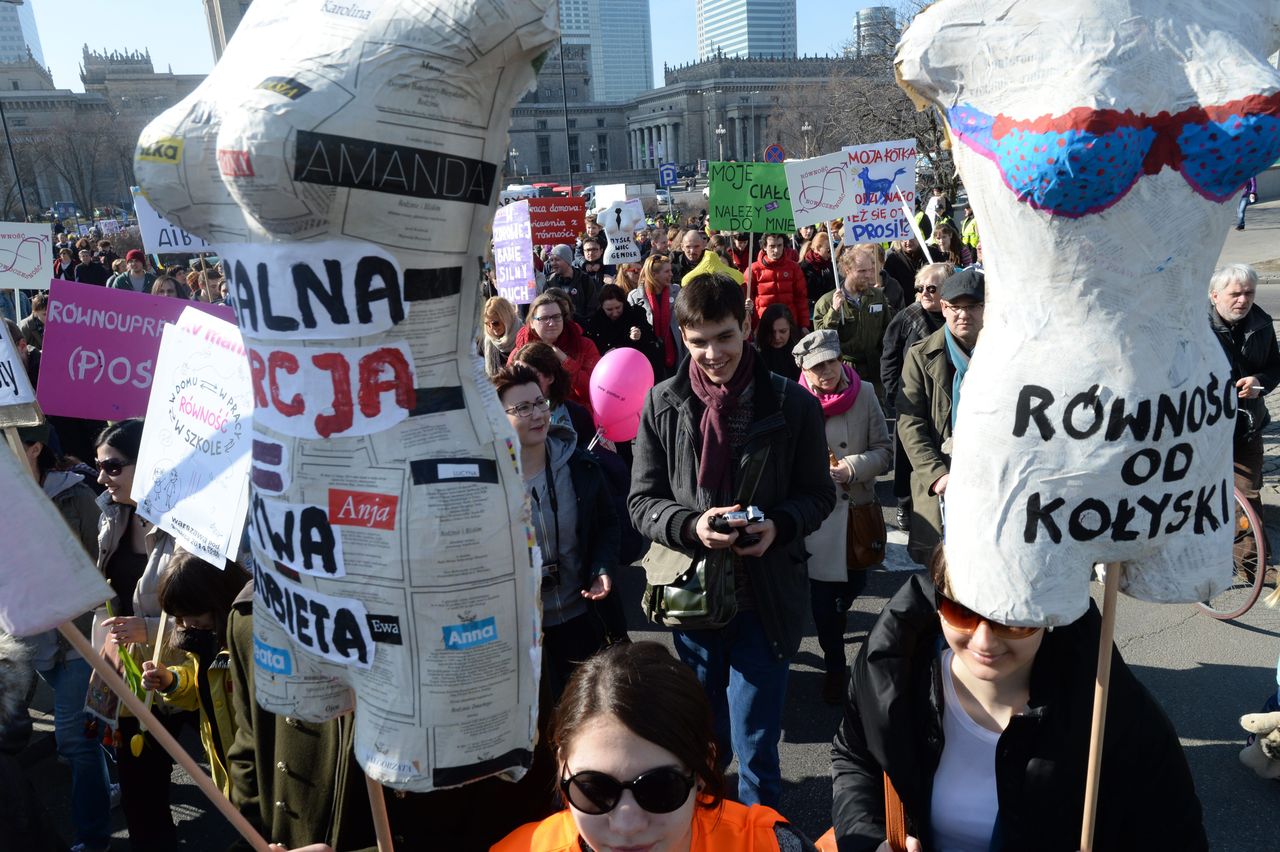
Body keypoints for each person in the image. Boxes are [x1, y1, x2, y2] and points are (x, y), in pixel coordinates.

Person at [830, 545, 1207, 851]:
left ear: (1050, 613)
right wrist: (873, 840)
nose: (984, 642)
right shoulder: (893, 679)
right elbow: (855, 759)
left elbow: (1175, 835)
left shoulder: (1113, 716)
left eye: (1013, 618)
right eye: (960, 610)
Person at [629, 273, 835, 807]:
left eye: (723, 336)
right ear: (681, 337)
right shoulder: (662, 404)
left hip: (766, 602)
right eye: (697, 342)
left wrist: (779, 525)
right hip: (692, 601)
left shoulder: (794, 406)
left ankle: (760, 838)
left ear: (746, 325)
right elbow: (641, 502)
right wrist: (689, 527)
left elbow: (818, 495)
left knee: (759, 748)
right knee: (700, 746)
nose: (712, 353)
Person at [493, 641, 819, 852]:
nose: (627, 825)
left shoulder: (768, 846)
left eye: (660, 789)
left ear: (704, 766)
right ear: (563, 766)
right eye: (593, 789)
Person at [92, 418, 191, 851]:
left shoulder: (186, 524)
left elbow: (211, 610)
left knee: (231, 792)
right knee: (140, 798)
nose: (101, 477)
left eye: (113, 467)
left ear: (146, 463)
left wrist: (147, 629)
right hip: (125, 675)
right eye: (100, 467)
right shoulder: (111, 515)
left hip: (178, 676)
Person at [493, 364, 616, 696]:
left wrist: (600, 567)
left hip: (583, 617)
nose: (537, 414)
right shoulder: (489, 484)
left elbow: (607, 525)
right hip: (523, 632)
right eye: (522, 408)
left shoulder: (580, 466)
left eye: (540, 402)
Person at [19, 422, 113, 852]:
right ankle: (105, 783)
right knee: (82, 738)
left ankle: (93, 838)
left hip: (76, 636)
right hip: (24, 636)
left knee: (75, 740)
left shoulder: (76, 494)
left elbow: (104, 563)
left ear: (34, 448)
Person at [791, 330, 890, 705]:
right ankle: (835, 667)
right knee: (823, 606)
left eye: (831, 362)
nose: (827, 371)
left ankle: (840, 610)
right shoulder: (795, 400)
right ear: (804, 368)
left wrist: (852, 467)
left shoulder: (863, 393)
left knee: (854, 585)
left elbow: (884, 451)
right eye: (817, 366)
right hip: (816, 520)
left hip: (857, 513)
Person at [141, 551, 251, 794]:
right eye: (180, 616)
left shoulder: (250, 643)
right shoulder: (203, 639)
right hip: (226, 768)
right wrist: (171, 680)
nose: (188, 623)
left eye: (194, 613)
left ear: (219, 597)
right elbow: (205, 686)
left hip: (254, 774)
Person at [896, 268, 985, 565]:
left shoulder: (1007, 354)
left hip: (991, 483)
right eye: (954, 306)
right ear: (943, 307)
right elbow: (910, 423)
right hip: (940, 483)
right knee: (938, 576)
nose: (963, 314)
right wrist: (938, 475)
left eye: (972, 306)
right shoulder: (921, 355)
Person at [1208, 263, 1280, 569]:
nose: (1243, 300)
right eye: (1235, 293)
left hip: (1246, 425)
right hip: (1203, 428)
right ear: (1214, 296)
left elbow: (1276, 366)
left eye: (1248, 293)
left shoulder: (1262, 323)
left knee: (1248, 492)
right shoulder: (1192, 326)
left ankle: (1252, 565)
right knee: (1200, 494)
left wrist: (1259, 382)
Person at [880, 262, 950, 531]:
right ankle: (904, 503)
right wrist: (895, 394)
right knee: (908, 456)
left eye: (932, 288)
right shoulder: (907, 317)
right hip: (911, 399)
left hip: (943, 402)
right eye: (920, 288)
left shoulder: (953, 317)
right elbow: (889, 357)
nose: (925, 293)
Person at [813, 244, 894, 399]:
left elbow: (887, 331)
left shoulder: (877, 296)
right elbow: (821, 340)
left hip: (874, 370)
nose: (869, 275)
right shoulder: (826, 302)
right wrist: (834, 312)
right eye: (862, 271)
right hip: (844, 372)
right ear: (847, 270)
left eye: (870, 269)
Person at [508, 291, 601, 414]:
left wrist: (565, 361)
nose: (551, 323)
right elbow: (510, 394)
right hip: (532, 418)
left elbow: (596, 391)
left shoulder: (584, 346)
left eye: (556, 316)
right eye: (544, 318)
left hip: (576, 419)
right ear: (532, 323)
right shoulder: (519, 354)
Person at [628, 253, 685, 380]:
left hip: (675, 352)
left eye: (671, 270)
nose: (671, 274)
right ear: (654, 275)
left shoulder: (677, 291)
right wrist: (633, 333)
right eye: (667, 271)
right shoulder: (635, 297)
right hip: (649, 354)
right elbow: (629, 325)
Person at [748, 233, 809, 336]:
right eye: (772, 246)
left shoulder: (794, 268)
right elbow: (748, 300)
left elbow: (801, 298)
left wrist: (804, 325)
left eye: (779, 245)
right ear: (764, 247)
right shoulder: (753, 269)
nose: (776, 250)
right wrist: (754, 325)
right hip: (764, 325)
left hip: (789, 325)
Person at [583, 282, 660, 363]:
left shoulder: (636, 314)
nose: (615, 313)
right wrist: (603, 355)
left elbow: (650, 337)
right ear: (602, 307)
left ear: (623, 303)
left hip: (635, 362)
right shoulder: (595, 322)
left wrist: (640, 335)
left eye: (618, 307)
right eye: (609, 309)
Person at [545, 244, 599, 319]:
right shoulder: (549, 281)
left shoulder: (585, 280)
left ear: (568, 261)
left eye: (557, 260)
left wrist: (582, 324)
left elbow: (593, 306)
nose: (553, 263)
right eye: (551, 260)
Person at [755, 302, 801, 382]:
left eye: (783, 331)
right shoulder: (756, 357)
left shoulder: (801, 355)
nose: (777, 337)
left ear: (790, 329)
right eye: (771, 332)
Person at [481, 295, 521, 376]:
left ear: (507, 318)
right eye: (487, 324)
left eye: (495, 323)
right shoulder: (484, 342)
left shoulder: (524, 336)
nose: (492, 328)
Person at [799, 230, 835, 318]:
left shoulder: (830, 264)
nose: (831, 253)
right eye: (828, 250)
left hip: (827, 310)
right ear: (818, 248)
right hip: (810, 313)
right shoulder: (803, 267)